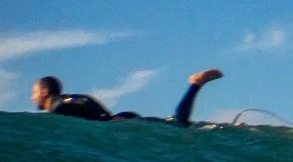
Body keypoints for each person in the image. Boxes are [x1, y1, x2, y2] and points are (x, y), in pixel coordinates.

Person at [31, 67, 222, 125]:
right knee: (178, 123)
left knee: (179, 123)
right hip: (121, 120)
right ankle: (195, 86)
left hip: (120, 122)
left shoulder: (57, 105)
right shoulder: (63, 102)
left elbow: (84, 101)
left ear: (45, 92)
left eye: (34, 92)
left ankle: (195, 85)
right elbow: (84, 100)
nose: (32, 97)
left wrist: (107, 118)